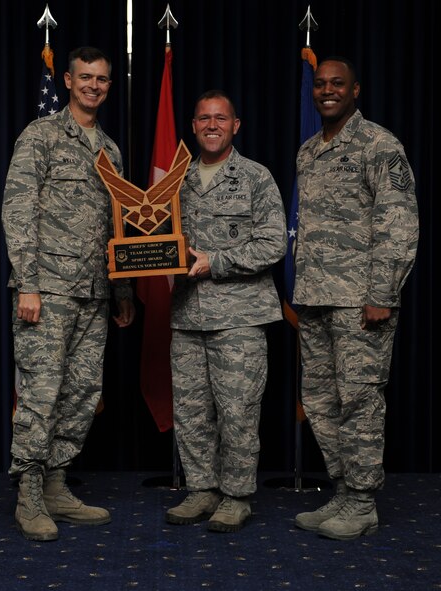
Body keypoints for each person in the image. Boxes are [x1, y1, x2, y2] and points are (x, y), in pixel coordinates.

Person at [2, 46, 135, 542]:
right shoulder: (41, 136)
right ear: (67, 80)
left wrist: (122, 290)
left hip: (95, 292)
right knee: (40, 392)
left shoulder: (111, 150)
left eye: (102, 80)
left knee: (81, 393)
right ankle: (29, 495)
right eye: (86, 78)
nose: (94, 86)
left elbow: (115, 224)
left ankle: (57, 485)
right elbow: (18, 212)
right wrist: (29, 283)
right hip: (49, 290)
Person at [291, 57, 419, 540]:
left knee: (360, 399)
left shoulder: (380, 145)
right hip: (316, 298)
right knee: (321, 401)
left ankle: (363, 502)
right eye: (320, 84)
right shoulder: (308, 151)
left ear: (355, 90)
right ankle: (343, 492)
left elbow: (399, 222)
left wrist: (383, 292)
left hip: (361, 301)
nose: (326, 91)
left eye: (337, 84)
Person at [164, 90, 287, 533]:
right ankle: (201, 489)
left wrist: (214, 262)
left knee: (238, 411)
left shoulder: (255, 177)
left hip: (239, 317)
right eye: (203, 118)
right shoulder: (175, 180)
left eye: (221, 118)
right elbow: (156, 237)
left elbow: (274, 243)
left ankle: (236, 496)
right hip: (186, 316)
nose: (212, 125)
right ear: (193, 126)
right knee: (192, 411)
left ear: (236, 125)